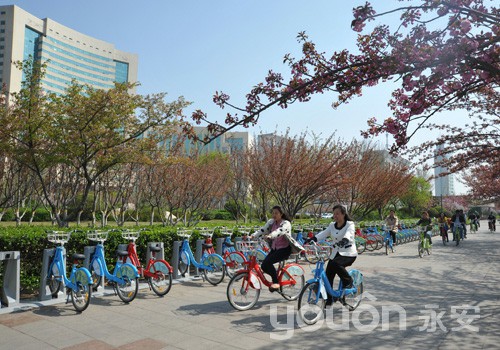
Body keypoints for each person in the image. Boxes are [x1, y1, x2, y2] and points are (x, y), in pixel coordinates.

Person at [315, 205, 358, 306]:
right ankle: (329, 299)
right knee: (328, 274)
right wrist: (313, 238)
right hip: (336, 253)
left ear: (343, 214)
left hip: (349, 253)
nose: (335, 216)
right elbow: (323, 233)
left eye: (337, 213)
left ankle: (348, 281)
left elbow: (349, 234)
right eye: (334, 213)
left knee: (335, 264)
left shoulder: (349, 224)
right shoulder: (332, 225)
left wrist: (345, 240)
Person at [251, 206, 293, 291]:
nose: (274, 215)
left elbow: (279, 231)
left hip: (284, 249)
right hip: (275, 248)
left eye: (276, 213)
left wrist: (271, 235)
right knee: (264, 266)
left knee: (268, 262)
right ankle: (275, 277)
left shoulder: (286, 223)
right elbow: (263, 230)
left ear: (281, 214)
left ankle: (276, 282)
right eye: (273, 213)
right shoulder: (271, 222)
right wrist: (253, 235)